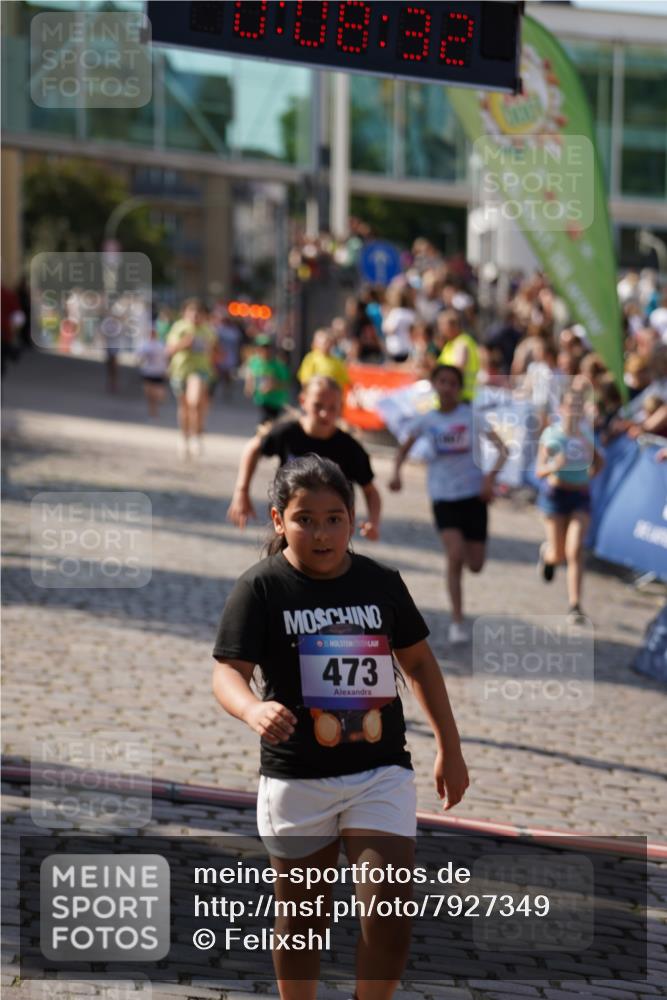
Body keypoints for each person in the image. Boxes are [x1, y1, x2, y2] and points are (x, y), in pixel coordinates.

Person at [212, 455, 469, 1000]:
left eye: (335, 518)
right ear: (279, 520)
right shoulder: (260, 588)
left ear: (354, 520)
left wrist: (450, 747)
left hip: (380, 773)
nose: (322, 533)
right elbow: (227, 674)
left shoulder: (381, 583)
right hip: (297, 779)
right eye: (306, 519)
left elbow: (419, 664)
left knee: (391, 912)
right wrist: (252, 709)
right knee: (304, 919)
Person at [389, 365, 508, 645]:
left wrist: (490, 479)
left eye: (453, 383)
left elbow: (503, 448)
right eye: (442, 381)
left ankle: (461, 597)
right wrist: (396, 473)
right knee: (455, 555)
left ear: (459, 387)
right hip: (443, 496)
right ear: (434, 385)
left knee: (475, 564)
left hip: (474, 497)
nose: (447, 387)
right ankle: (457, 620)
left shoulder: (471, 417)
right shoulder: (427, 420)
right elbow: (403, 448)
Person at [228, 376, 381, 540]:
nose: (325, 414)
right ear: (303, 401)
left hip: (333, 533)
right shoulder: (288, 433)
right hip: (292, 526)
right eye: (318, 406)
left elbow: (371, 491)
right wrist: (241, 491)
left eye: (332, 408)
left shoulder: (350, 448)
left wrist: (373, 522)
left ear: (341, 408)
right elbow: (253, 448)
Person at [535, 388, 604, 624]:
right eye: (570, 405)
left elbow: (599, 461)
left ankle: (575, 605)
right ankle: (548, 555)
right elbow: (539, 470)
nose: (574, 410)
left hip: (579, 498)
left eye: (578, 406)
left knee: (575, 550)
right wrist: (555, 466)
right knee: (560, 553)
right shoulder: (552, 435)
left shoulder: (586, 435)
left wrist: (587, 477)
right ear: (561, 409)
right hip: (555, 497)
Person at [166, 299, 218, 459]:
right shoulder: (179, 327)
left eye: (198, 313)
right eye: (192, 312)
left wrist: (213, 356)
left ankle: (196, 436)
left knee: (194, 403)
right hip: (180, 370)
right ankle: (184, 437)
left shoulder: (208, 330)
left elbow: (215, 352)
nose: (195, 316)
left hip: (200, 371)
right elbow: (169, 350)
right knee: (184, 407)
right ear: (185, 313)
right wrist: (185, 343)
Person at [435, 310, 480, 403]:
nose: (440, 329)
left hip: (460, 399)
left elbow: (457, 369)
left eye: (442, 325)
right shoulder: (451, 344)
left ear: (453, 326)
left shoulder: (461, 343)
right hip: (453, 398)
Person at [245, 334, 291, 423]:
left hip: (276, 400)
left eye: (267, 348)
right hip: (262, 400)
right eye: (262, 348)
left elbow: (286, 383)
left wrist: (274, 385)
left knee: (270, 424)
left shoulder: (278, 365)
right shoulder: (254, 362)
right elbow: (251, 376)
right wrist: (249, 387)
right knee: (265, 422)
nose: (264, 351)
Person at [136, 325, 168, 418]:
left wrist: (166, 370)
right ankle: (153, 411)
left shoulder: (161, 345)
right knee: (148, 393)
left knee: (157, 392)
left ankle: (159, 401)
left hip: (158, 371)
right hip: (147, 371)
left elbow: (166, 358)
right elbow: (139, 358)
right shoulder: (144, 345)